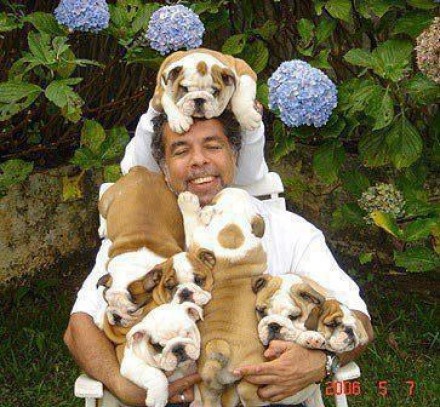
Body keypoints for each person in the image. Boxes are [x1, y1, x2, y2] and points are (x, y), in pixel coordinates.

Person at [64, 103, 373, 406]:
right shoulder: (139, 240)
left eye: (212, 147)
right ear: (165, 168)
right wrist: (121, 385)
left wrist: (323, 360)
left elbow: (359, 317)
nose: (198, 161)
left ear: (234, 155)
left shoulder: (289, 230)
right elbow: (78, 328)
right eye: (181, 151)